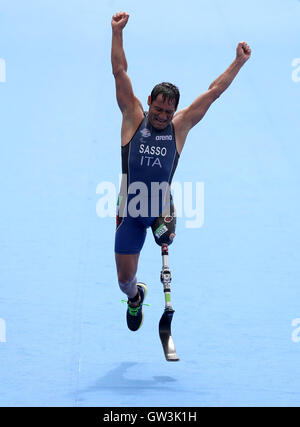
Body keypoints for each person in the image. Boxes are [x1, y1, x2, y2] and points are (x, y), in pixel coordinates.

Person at [111, 11, 251, 332]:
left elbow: (214, 91)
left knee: (165, 235)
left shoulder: (180, 126)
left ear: (175, 110)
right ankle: (136, 298)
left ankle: (166, 227)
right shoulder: (133, 117)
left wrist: (238, 62)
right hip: (129, 209)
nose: (161, 116)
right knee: (123, 280)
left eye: (167, 111)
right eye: (157, 109)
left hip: (161, 205)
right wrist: (117, 32)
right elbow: (119, 71)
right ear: (149, 102)